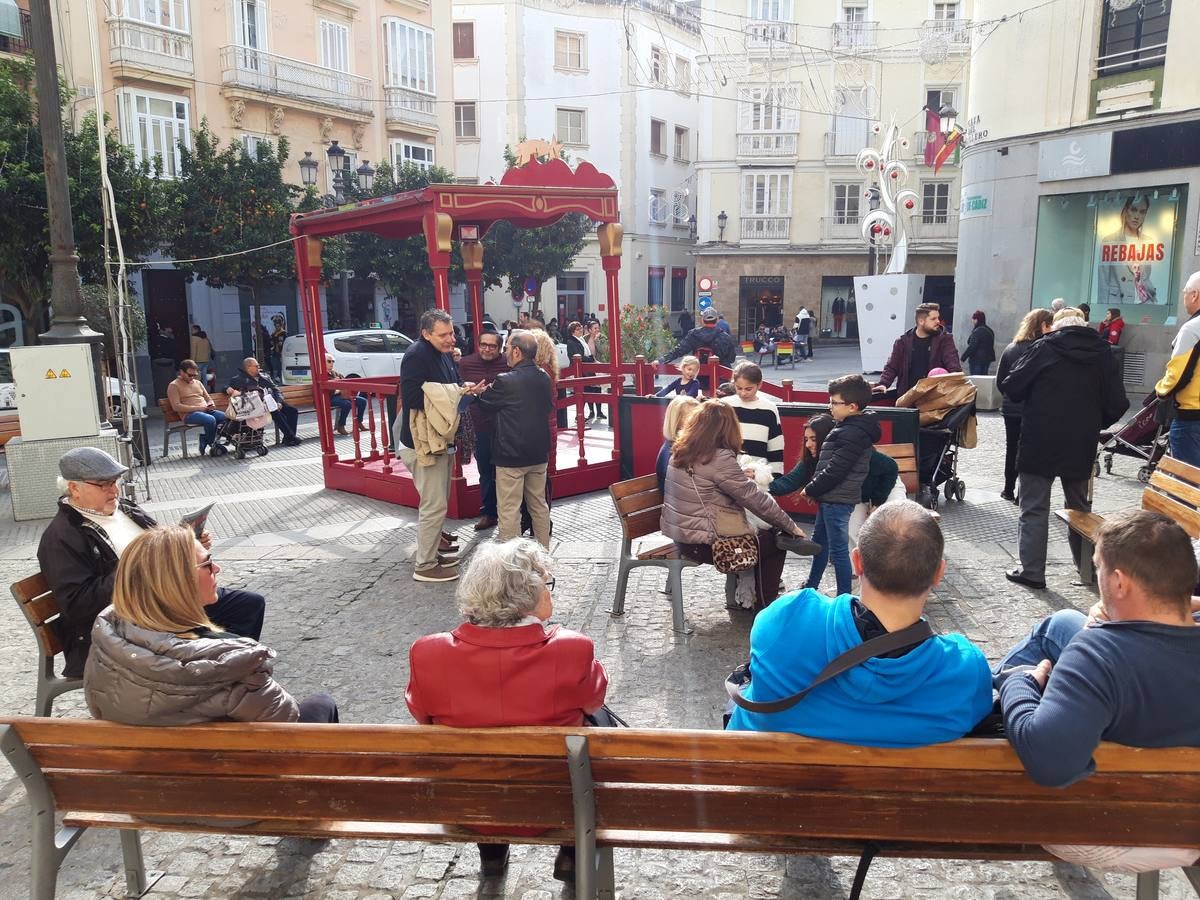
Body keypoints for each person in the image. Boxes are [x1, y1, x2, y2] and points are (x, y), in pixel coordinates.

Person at [995, 510, 1200, 872]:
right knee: (1062, 623)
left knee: (1023, 674)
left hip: (1109, 827)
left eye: (1099, 570)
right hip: (1187, 816)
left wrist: (1020, 682)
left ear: (1120, 583)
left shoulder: (1097, 656)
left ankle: (991, 694)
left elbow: (1050, 765)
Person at [406, 538, 607, 882]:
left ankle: (493, 853)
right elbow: (594, 700)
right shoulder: (574, 649)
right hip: (555, 803)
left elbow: (422, 715)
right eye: (548, 584)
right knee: (593, 728)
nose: (550, 592)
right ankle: (573, 856)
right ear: (530, 595)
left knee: (476, 747)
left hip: (468, 804)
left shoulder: (428, 653)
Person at [727, 500, 992, 745]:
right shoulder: (965, 670)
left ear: (856, 562)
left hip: (767, 790)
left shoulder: (788, 616)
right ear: (939, 573)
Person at [37, 447, 266, 678]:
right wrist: (135, 567)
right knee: (218, 638)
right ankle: (218, 679)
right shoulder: (62, 537)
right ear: (74, 488)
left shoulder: (126, 508)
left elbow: (160, 548)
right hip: (127, 623)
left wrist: (189, 547)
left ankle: (229, 676)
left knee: (249, 605)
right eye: (103, 484)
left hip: (167, 600)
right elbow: (79, 605)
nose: (114, 490)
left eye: (115, 481)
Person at [85, 526, 337, 725]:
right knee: (322, 704)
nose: (217, 568)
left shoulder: (108, 641)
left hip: (147, 774)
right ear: (178, 583)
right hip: (231, 780)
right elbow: (288, 724)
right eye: (207, 564)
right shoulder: (231, 662)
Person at [999, 308, 1128, 590]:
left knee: (1033, 508)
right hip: (1080, 442)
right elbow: (1119, 403)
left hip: (1039, 439)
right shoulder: (1104, 353)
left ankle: (1032, 571)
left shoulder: (1043, 346)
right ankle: (1088, 570)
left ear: (1055, 327)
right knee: (1080, 508)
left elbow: (1012, 386)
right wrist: (1094, 422)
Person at [662, 402, 811, 609]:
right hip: (706, 544)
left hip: (683, 537)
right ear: (728, 427)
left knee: (769, 535)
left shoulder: (679, 452)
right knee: (775, 542)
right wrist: (791, 526)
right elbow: (754, 498)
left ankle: (755, 599)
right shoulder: (718, 457)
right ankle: (765, 608)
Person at [397, 309, 485, 583]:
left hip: (439, 438)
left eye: (451, 333)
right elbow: (412, 398)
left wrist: (464, 389)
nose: (451, 340)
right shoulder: (416, 355)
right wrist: (455, 392)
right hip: (423, 443)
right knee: (434, 505)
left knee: (438, 501)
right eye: (443, 335)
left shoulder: (440, 353)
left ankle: (432, 551)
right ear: (426, 334)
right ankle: (424, 565)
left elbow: (450, 386)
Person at [793, 375, 881, 597]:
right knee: (820, 543)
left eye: (834, 402)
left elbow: (836, 469)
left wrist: (811, 489)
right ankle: (812, 584)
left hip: (837, 498)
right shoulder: (850, 427)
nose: (829, 406)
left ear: (852, 406)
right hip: (832, 497)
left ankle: (843, 596)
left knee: (838, 551)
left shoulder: (852, 432)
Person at [475, 331, 554, 548]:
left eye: (507, 348)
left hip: (510, 455)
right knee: (539, 505)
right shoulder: (544, 377)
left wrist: (478, 393)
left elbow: (485, 404)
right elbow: (547, 408)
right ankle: (542, 555)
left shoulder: (505, 380)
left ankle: (511, 564)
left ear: (517, 351)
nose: (505, 352)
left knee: (509, 509)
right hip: (538, 453)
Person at [995, 309, 1054, 503]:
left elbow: (1000, 380)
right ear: (1043, 325)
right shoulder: (1044, 349)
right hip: (1033, 409)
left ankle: (1007, 488)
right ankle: (1022, 493)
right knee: (1028, 451)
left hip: (1011, 408)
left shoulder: (1012, 348)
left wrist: (1010, 397)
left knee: (1011, 448)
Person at [457, 331, 509, 531]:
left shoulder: (507, 363)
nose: (487, 349)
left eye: (492, 346)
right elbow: (458, 391)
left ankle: (508, 513)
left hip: (505, 426)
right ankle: (489, 512)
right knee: (485, 472)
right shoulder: (466, 363)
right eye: (484, 345)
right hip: (479, 425)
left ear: (500, 348)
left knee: (507, 472)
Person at [1155, 271, 1200, 467]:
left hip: (1192, 416)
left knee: (1188, 482)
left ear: (1195, 295)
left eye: (1185, 292)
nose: (1184, 296)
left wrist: (1161, 390)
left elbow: (1178, 374)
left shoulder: (1192, 328)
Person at [874, 303, 962, 396]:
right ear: (921, 321)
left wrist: (957, 385)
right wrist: (883, 384)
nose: (938, 321)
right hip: (907, 396)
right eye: (933, 319)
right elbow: (892, 366)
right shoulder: (902, 341)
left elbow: (953, 364)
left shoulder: (944, 339)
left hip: (934, 397)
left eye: (938, 318)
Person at [721, 363, 784, 475]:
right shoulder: (726, 405)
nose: (743, 393)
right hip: (727, 472)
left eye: (748, 389)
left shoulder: (769, 408)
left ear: (759, 385)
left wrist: (776, 475)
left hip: (757, 474)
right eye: (739, 388)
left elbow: (775, 445)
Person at [226, 357, 301, 447]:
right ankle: (291, 437)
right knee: (275, 412)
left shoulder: (264, 377)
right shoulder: (239, 379)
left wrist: (279, 402)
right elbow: (227, 387)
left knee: (292, 411)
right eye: (256, 366)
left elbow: (276, 389)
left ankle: (288, 438)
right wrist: (227, 389)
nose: (259, 368)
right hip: (258, 406)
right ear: (248, 367)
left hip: (272, 401)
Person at [1097, 194, 1157, 304]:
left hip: (1143, 303)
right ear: (1126, 210)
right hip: (1118, 302)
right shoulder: (1110, 240)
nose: (1137, 216)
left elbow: (1146, 277)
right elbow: (1103, 281)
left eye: (1142, 212)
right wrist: (1103, 309)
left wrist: (1152, 300)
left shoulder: (1148, 241)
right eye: (1134, 210)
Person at [168, 359, 228, 457]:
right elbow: (176, 406)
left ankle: (206, 439)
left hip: (205, 410)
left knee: (226, 418)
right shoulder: (174, 385)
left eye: (194, 375)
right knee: (210, 420)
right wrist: (198, 408)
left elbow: (208, 398)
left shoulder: (198, 383)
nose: (192, 378)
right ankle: (213, 444)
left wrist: (211, 404)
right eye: (189, 375)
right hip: (189, 414)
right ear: (181, 372)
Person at [659, 308, 736, 368]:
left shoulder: (694, 334)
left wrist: (661, 360)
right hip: (721, 378)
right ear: (717, 320)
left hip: (700, 377)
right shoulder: (726, 337)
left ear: (702, 320)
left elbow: (679, 350)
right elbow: (732, 358)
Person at [656, 395, 701, 493]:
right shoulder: (673, 452)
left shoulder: (686, 445)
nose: (699, 423)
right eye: (692, 419)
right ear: (676, 422)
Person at [324, 354, 366, 436]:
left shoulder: (335, 373)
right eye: (329, 361)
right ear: (322, 362)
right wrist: (335, 385)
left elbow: (345, 383)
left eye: (333, 361)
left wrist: (339, 387)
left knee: (362, 401)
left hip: (342, 395)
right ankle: (341, 426)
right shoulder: (321, 374)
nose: (332, 363)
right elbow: (326, 390)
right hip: (329, 398)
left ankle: (358, 423)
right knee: (346, 404)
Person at [959, 310, 996, 376]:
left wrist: (963, 358)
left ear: (976, 320)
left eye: (973, 319)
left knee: (976, 381)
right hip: (987, 360)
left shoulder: (977, 331)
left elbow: (972, 347)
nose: (972, 321)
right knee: (983, 380)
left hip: (976, 360)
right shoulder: (990, 330)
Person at [583, 320, 606, 420]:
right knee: (588, 388)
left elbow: (603, 350)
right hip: (587, 367)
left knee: (597, 389)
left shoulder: (602, 337)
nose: (597, 330)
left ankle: (599, 411)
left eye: (598, 327)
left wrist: (596, 340)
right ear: (589, 330)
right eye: (595, 328)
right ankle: (591, 411)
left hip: (598, 365)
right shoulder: (584, 338)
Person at [268, 315, 286, 382]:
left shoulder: (283, 333)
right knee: (274, 364)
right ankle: (275, 376)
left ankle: (279, 377)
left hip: (281, 351)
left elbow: (284, 342)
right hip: (274, 351)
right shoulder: (274, 332)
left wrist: (282, 351)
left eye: (278, 325)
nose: (276, 326)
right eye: (275, 325)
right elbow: (271, 341)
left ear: (281, 325)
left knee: (279, 365)